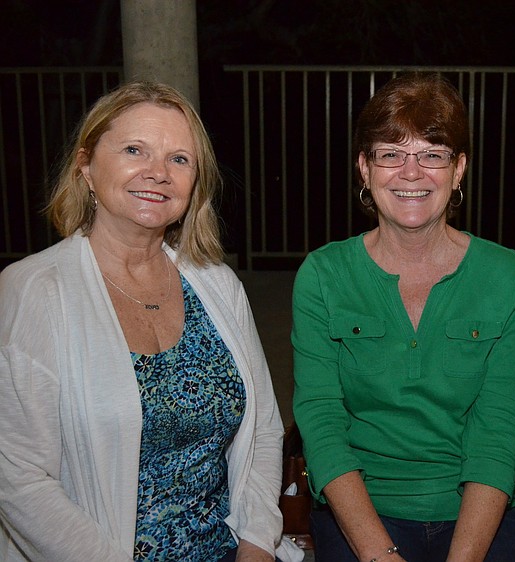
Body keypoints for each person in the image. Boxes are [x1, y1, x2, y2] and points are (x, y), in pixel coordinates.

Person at [0, 81, 302, 562]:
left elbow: (265, 428)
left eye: (179, 159)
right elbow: (19, 478)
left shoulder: (217, 284)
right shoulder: (35, 290)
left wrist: (257, 545)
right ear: (86, 167)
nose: (158, 173)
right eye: (134, 149)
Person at [291, 72, 515, 562]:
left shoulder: (506, 276)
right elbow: (321, 424)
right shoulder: (323, 275)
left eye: (433, 154)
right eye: (390, 154)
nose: (412, 173)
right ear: (364, 168)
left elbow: (497, 431)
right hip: (363, 509)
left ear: (459, 168)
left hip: (477, 507)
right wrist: (379, 554)